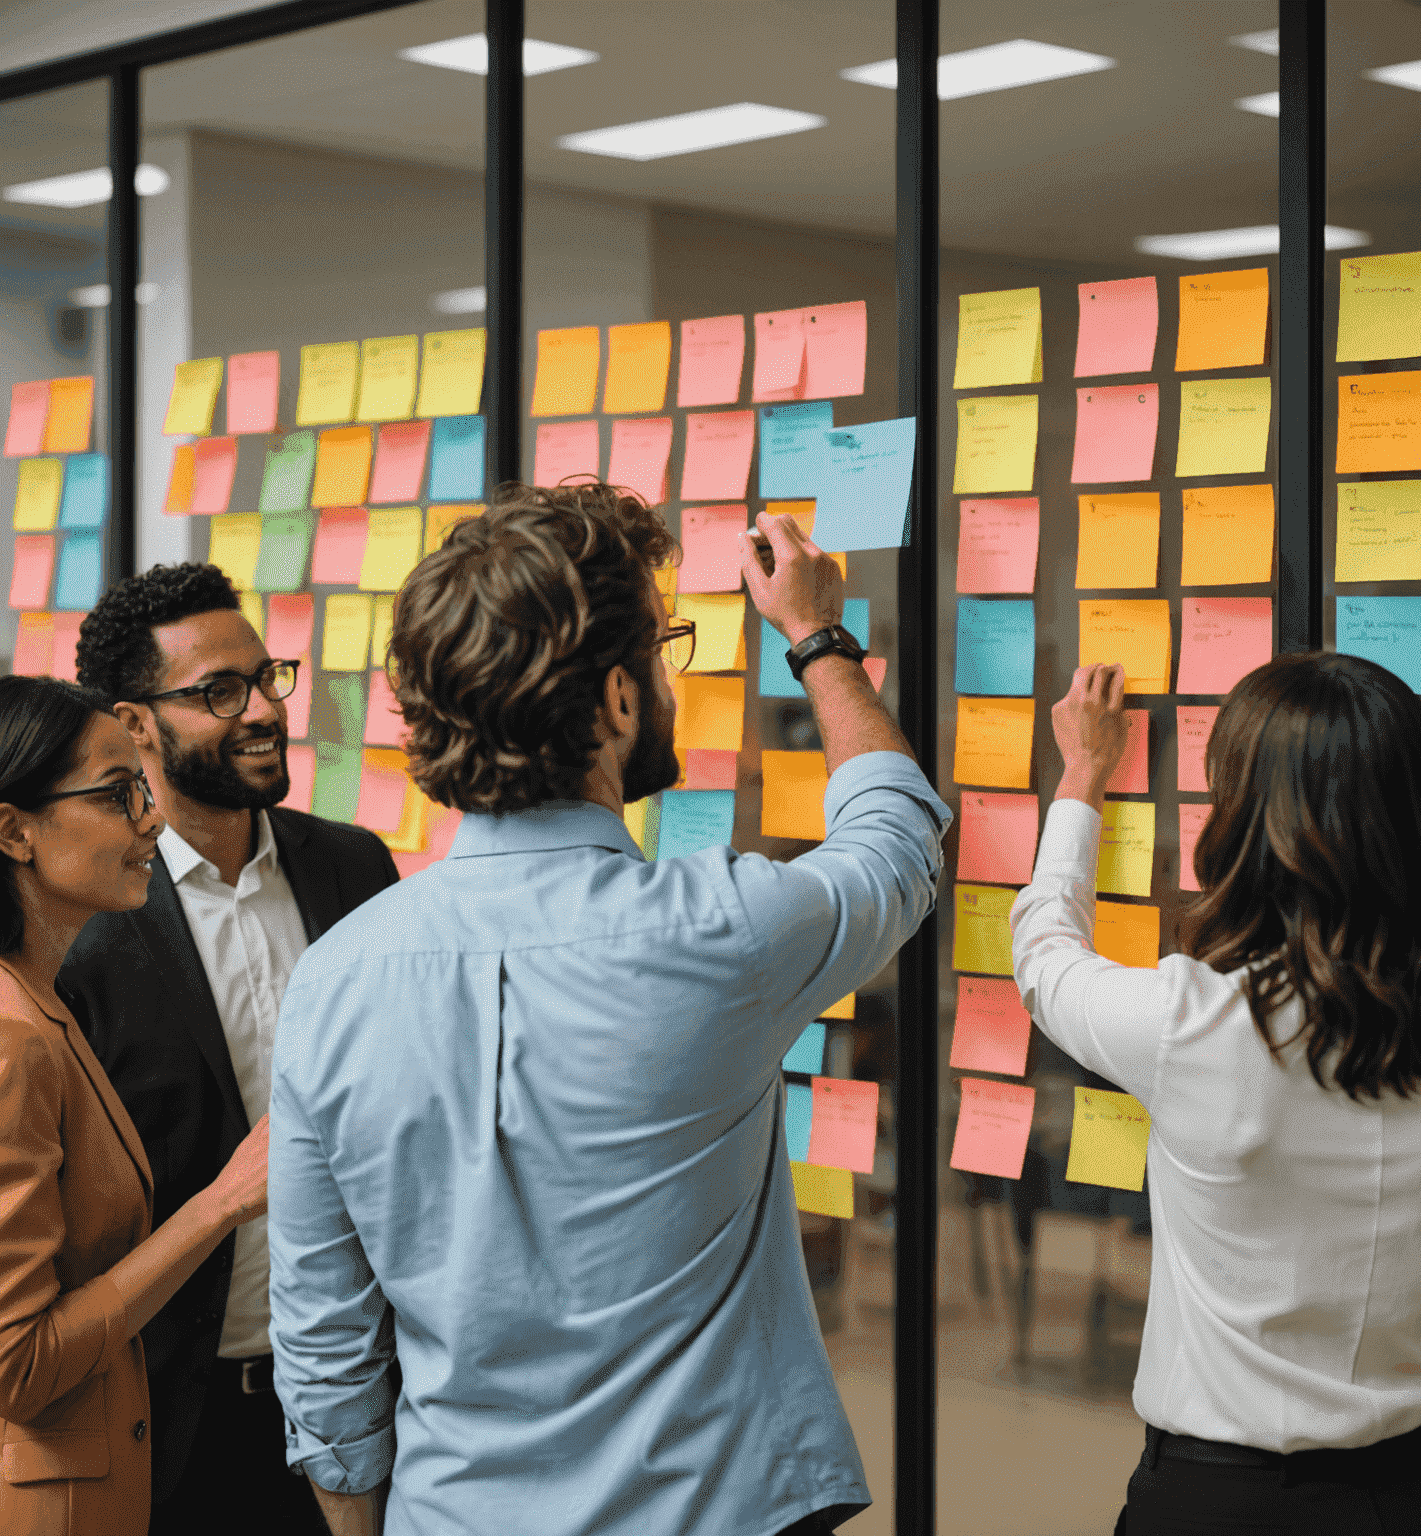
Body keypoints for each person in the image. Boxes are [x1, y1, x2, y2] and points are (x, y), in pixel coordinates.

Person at [265, 483, 950, 1536]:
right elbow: (897, 841)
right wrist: (814, 637)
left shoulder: (333, 980)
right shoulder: (724, 931)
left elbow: (325, 1346)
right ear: (620, 703)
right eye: (663, 650)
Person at [1011, 654, 1421, 1535]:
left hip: (1217, 1502)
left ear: (1248, 824)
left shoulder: (1193, 1021)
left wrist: (1083, 777)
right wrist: (1411, 1438)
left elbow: (1045, 961)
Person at [56, 564, 399, 1536]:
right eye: (219, 692)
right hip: (173, 1424)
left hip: (369, 1401)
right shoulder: (89, 922)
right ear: (135, 726)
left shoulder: (355, 866)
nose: (262, 710)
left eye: (267, 677)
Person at [0, 675, 268, 1536]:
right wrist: (223, 1204)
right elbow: (19, 1365)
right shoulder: (15, 1037)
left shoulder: (42, 1002)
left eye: (144, 791)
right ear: (14, 830)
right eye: (120, 796)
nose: (153, 820)